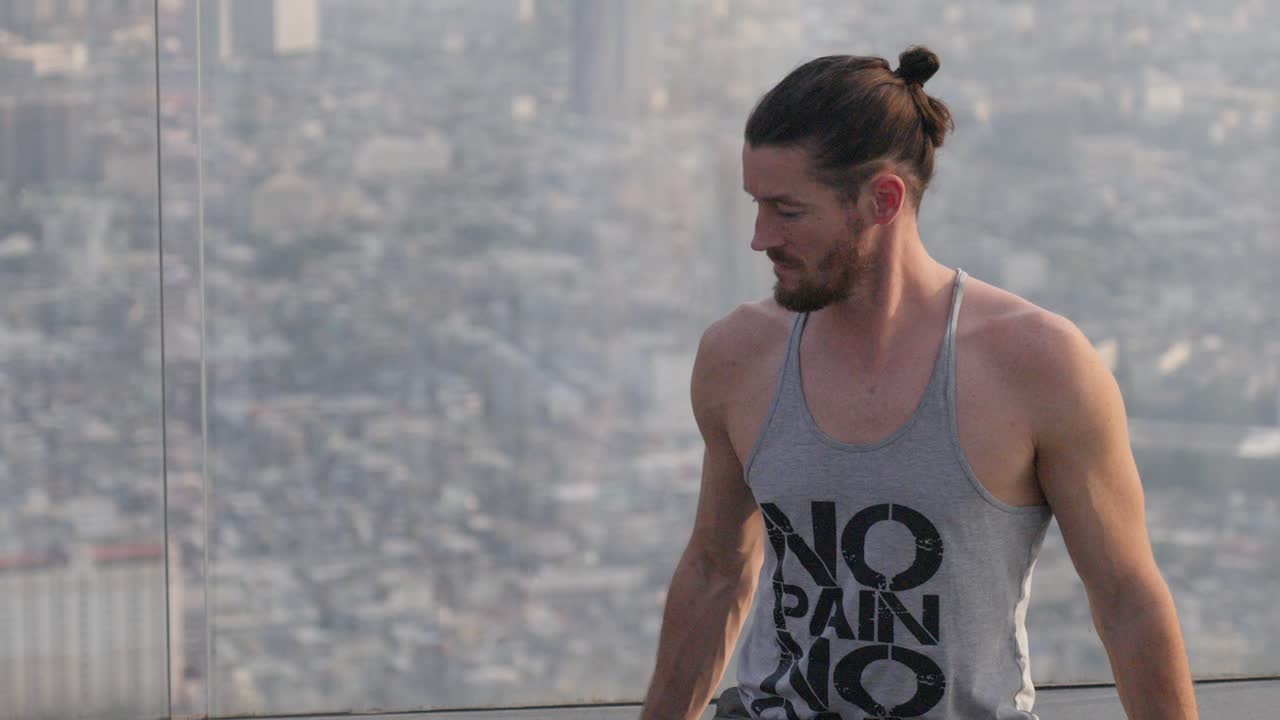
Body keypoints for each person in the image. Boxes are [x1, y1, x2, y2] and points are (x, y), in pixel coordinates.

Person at [639, 47, 1199, 720]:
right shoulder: (738, 356)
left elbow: (1127, 599)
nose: (759, 238)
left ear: (883, 199)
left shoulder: (1038, 364)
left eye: (787, 211)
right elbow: (715, 571)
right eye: (756, 205)